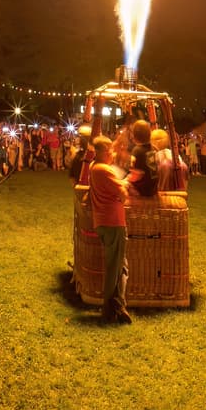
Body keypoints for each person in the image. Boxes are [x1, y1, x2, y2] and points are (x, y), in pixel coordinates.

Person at [88, 137, 132, 324]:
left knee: (121, 266)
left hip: (103, 221)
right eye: (112, 151)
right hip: (113, 222)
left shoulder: (93, 167)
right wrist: (125, 186)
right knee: (114, 268)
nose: (113, 154)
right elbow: (123, 194)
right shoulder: (104, 170)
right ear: (105, 151)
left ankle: (119, 306)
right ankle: (108, 309)